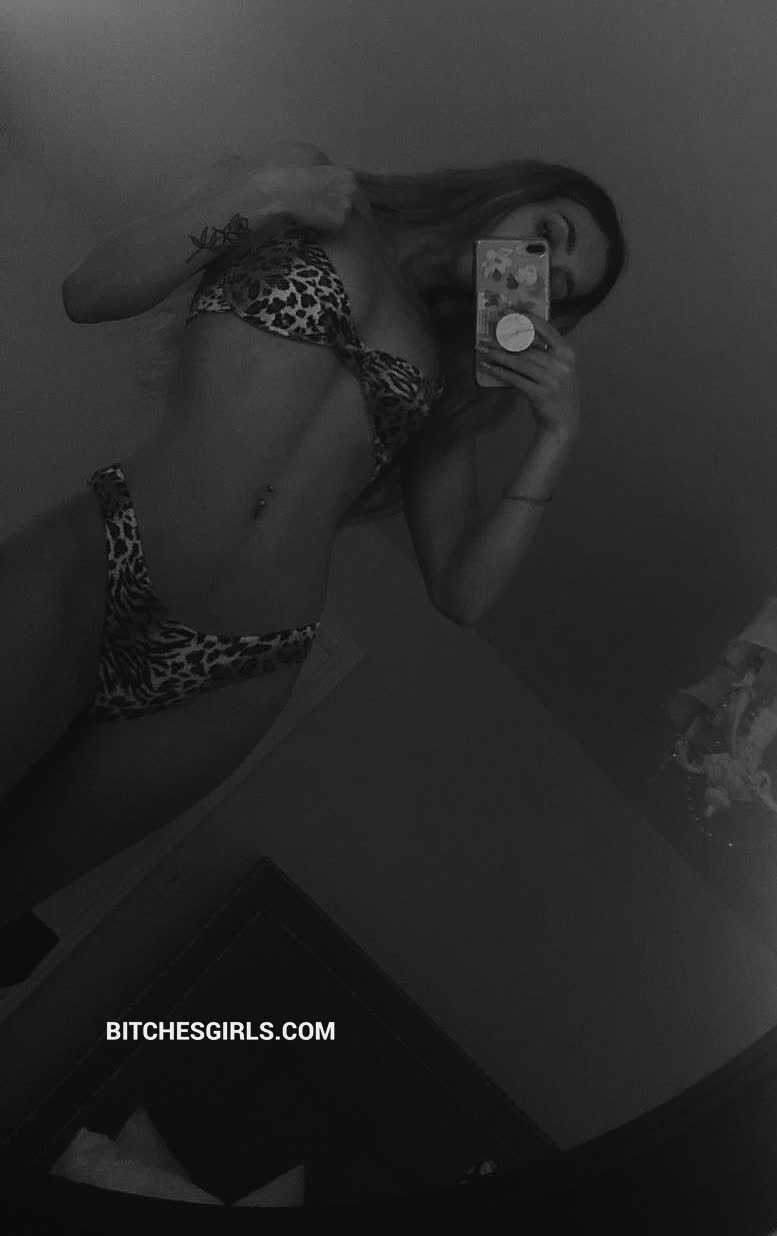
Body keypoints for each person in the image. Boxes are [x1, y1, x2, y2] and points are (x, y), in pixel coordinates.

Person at [0, 139, 628, 918]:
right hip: (105, 557)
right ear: (510, 192)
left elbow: (462, 593)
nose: (538, 267)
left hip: (236, 672)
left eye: (557, 285)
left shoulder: (448, 375)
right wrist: (266, 192)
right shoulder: (310, 190)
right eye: (548, 234)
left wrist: (554, 437)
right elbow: (88, 291)